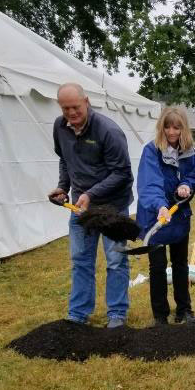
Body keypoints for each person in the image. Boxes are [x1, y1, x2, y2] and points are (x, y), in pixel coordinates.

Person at [49, 82, 133, 328]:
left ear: (86, 102)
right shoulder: (59, 127)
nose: (71, 113)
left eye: (75, 107)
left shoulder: (108, 130)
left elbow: (123, 173)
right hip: (80, 208)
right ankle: (78, 313)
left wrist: (91, 193)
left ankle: (116, 314)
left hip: (112, 207)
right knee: (80, 259)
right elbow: (65, 159)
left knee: (116, 260)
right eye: (65, 109)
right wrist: (63, 187)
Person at [136, 106, 195, 326]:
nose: (172, 132)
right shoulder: (152, 151)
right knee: (157, 266)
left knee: (180, 263)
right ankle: (160, 315)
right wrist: (160, 206)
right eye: (168, 127)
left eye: (176, 127)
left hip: (179, 216)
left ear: (183, 128)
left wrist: (186, 186)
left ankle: (184, 310)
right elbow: (150, 183)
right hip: (155, 216)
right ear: (161, 127)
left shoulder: (190, 152)